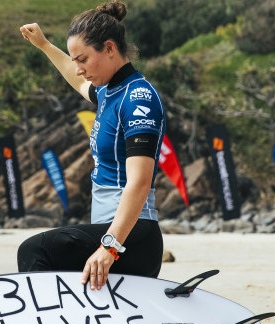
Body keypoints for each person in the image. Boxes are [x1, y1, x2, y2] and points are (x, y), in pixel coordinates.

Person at [18, 1, 166, 291]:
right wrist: (45, 45)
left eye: (82, 59)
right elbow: (75, 80)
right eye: (75, 60)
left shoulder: (138, 99)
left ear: (109, 48)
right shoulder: (110, 93)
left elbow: (139, 181)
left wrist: (109, 248)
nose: (78, 69)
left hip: (132, 237)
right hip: (114, 234)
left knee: (35, 251)